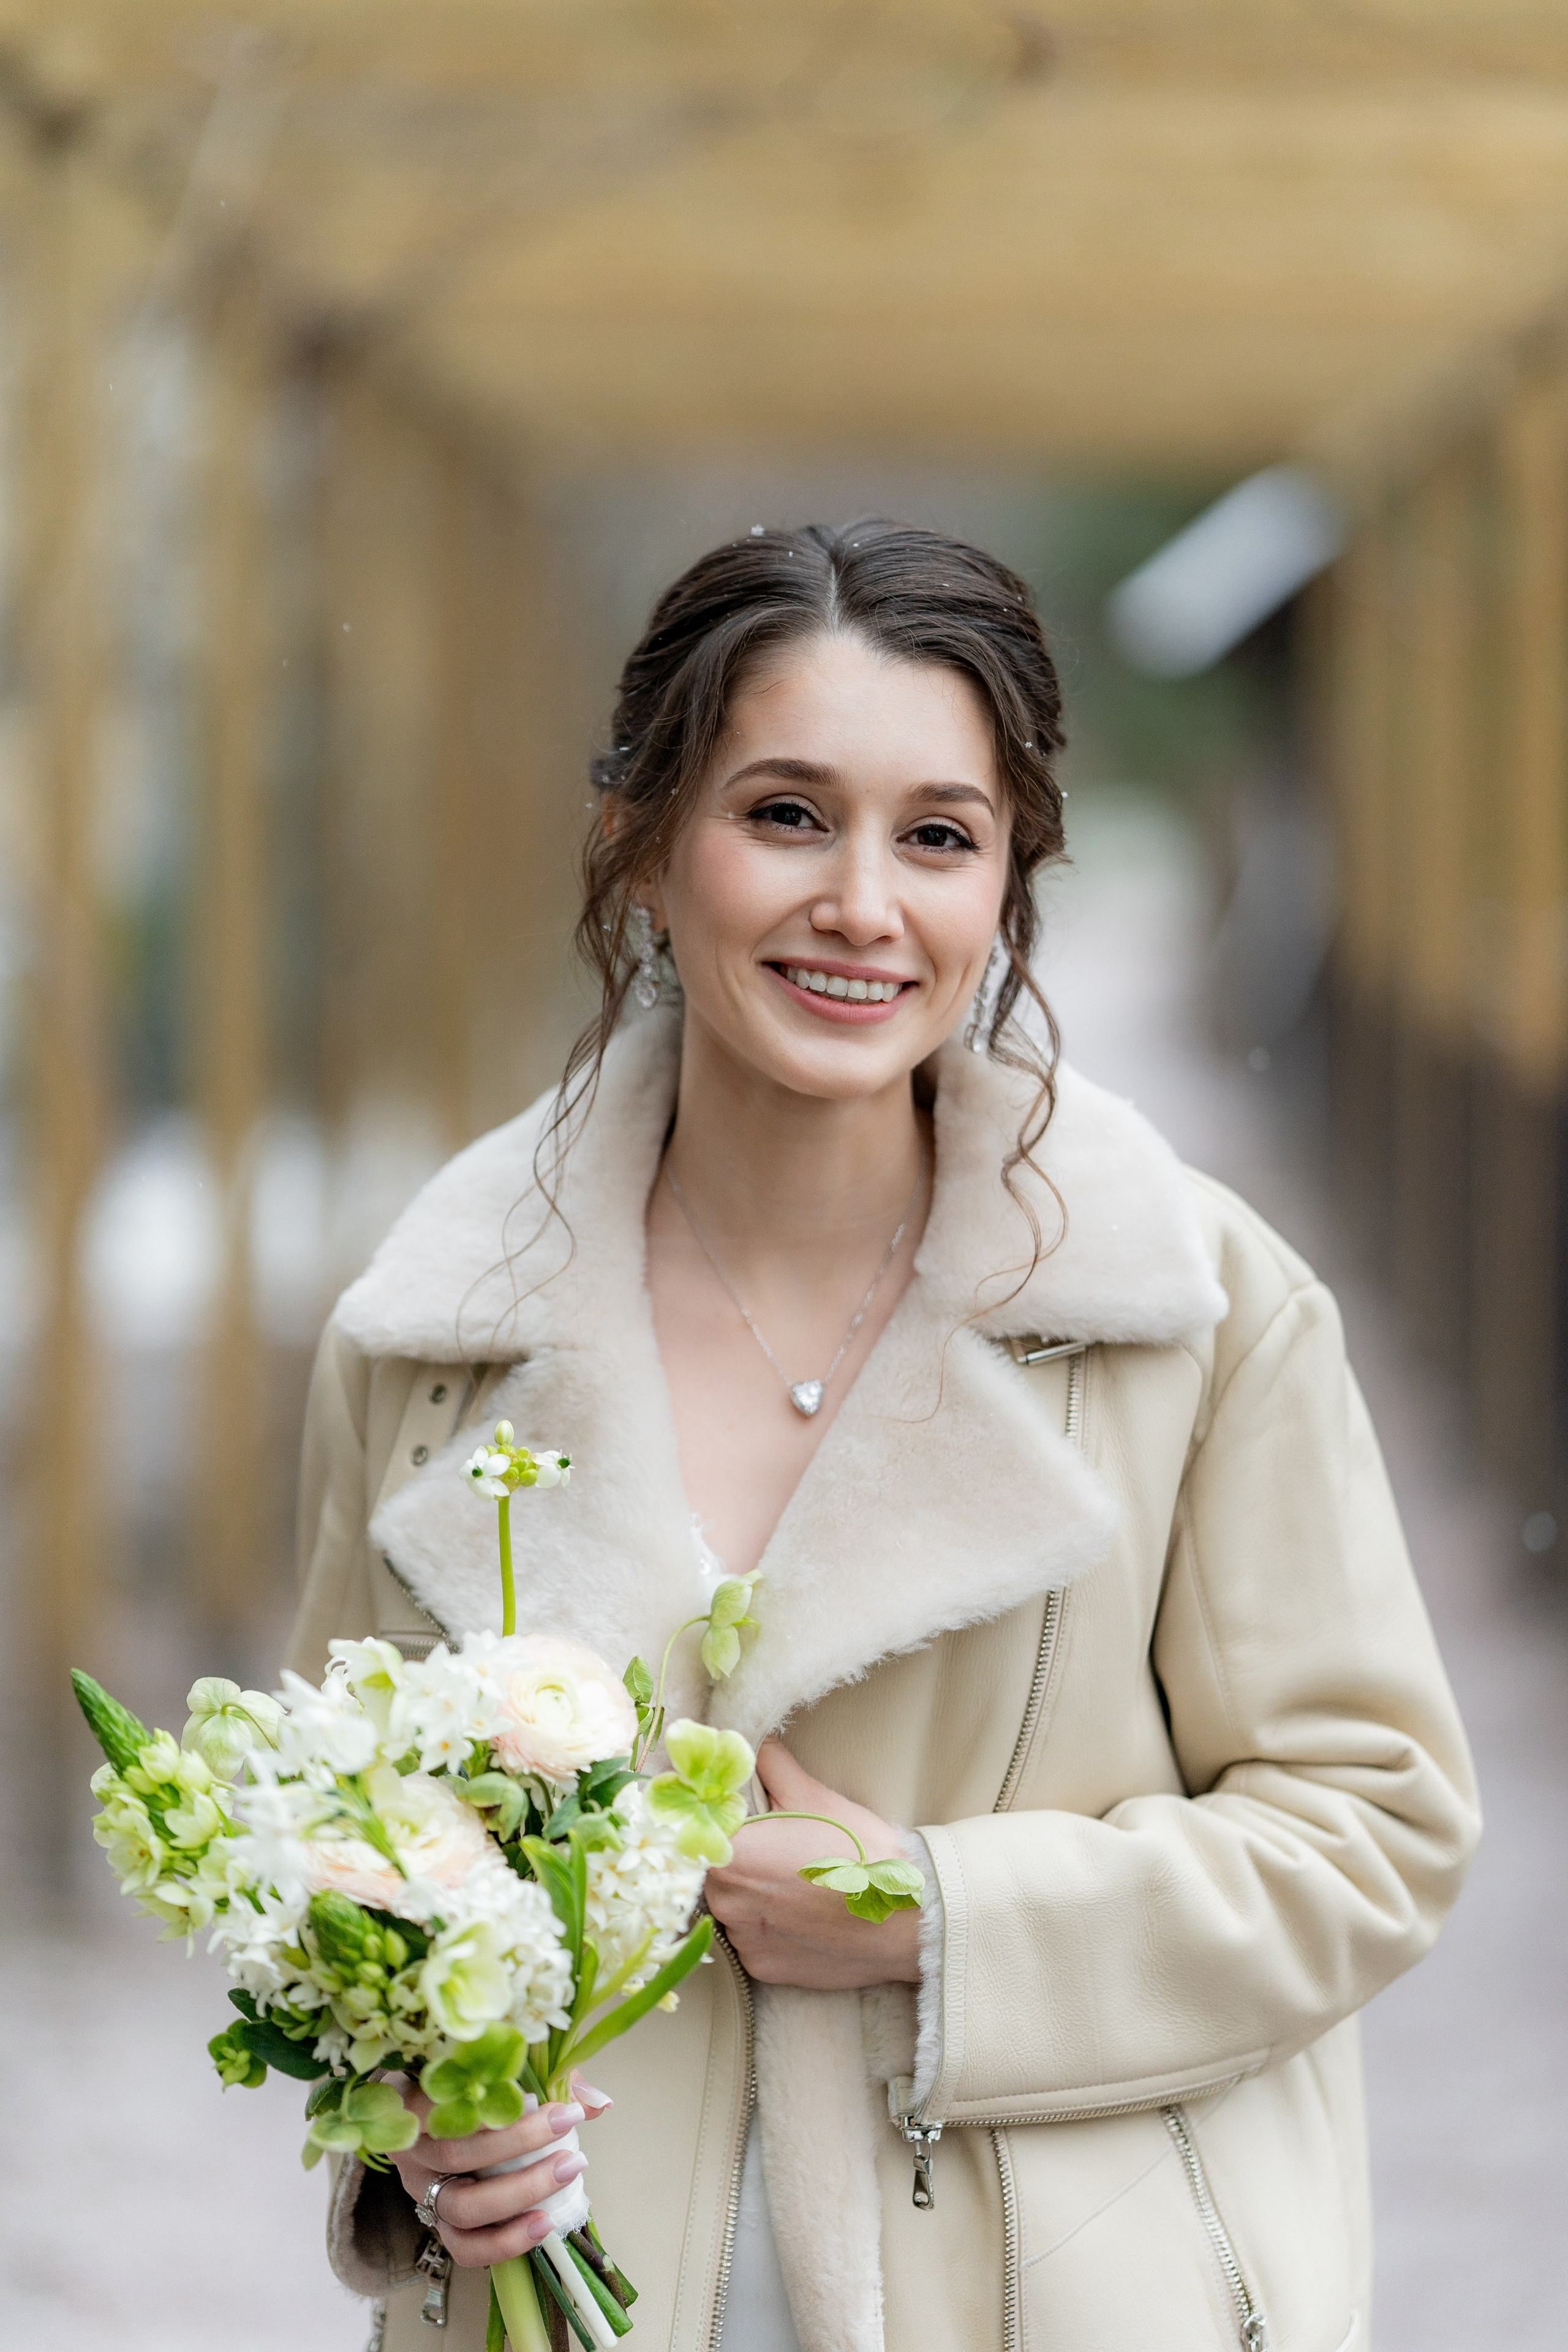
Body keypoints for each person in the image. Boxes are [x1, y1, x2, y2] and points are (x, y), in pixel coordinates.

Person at [287, 519, 1479, 2352]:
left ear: (1008, 884)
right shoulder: (433, 1341)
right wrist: (431, 2137)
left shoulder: (1197, 1311)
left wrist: (939, 1918)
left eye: (938, 835)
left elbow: (1376, 1828)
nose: (862, 902)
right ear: (641, 843)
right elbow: (327, 1867)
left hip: (1067, 2297)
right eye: (783, 813)